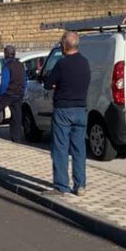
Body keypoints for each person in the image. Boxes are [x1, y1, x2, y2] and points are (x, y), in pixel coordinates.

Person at [44, 31, 91, 196]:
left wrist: (57, 85)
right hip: (81, 109)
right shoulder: (85, 63)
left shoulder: (62, 64)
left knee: (60, 148)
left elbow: (48, 83)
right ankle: (80, 185)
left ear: (64, 46)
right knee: (79, 148)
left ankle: (61, 185)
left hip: (64, 109)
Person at [0, 45, 26, 143]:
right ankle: (16, 138)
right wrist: (23, 91)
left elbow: (4, 82)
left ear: (5, 54)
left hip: (8, 93)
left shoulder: (6, 66)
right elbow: (24, 80)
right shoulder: (20, 65)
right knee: (17, 117)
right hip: (18, 94)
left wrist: (0, 94)